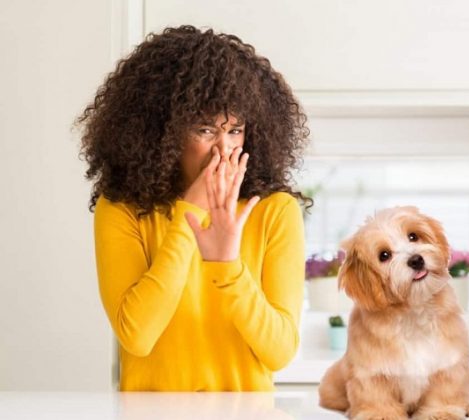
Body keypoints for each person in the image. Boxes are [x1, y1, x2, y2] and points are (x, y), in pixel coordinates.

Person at [74, 25, 312, 391]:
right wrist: (189, 217)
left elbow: (279, 352)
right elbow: (137, 336)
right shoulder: (121, 208)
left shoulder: (275, 211)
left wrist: (228, 265)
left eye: (235, 131)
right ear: (162, 133)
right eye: (205, 130)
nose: (223, 149)